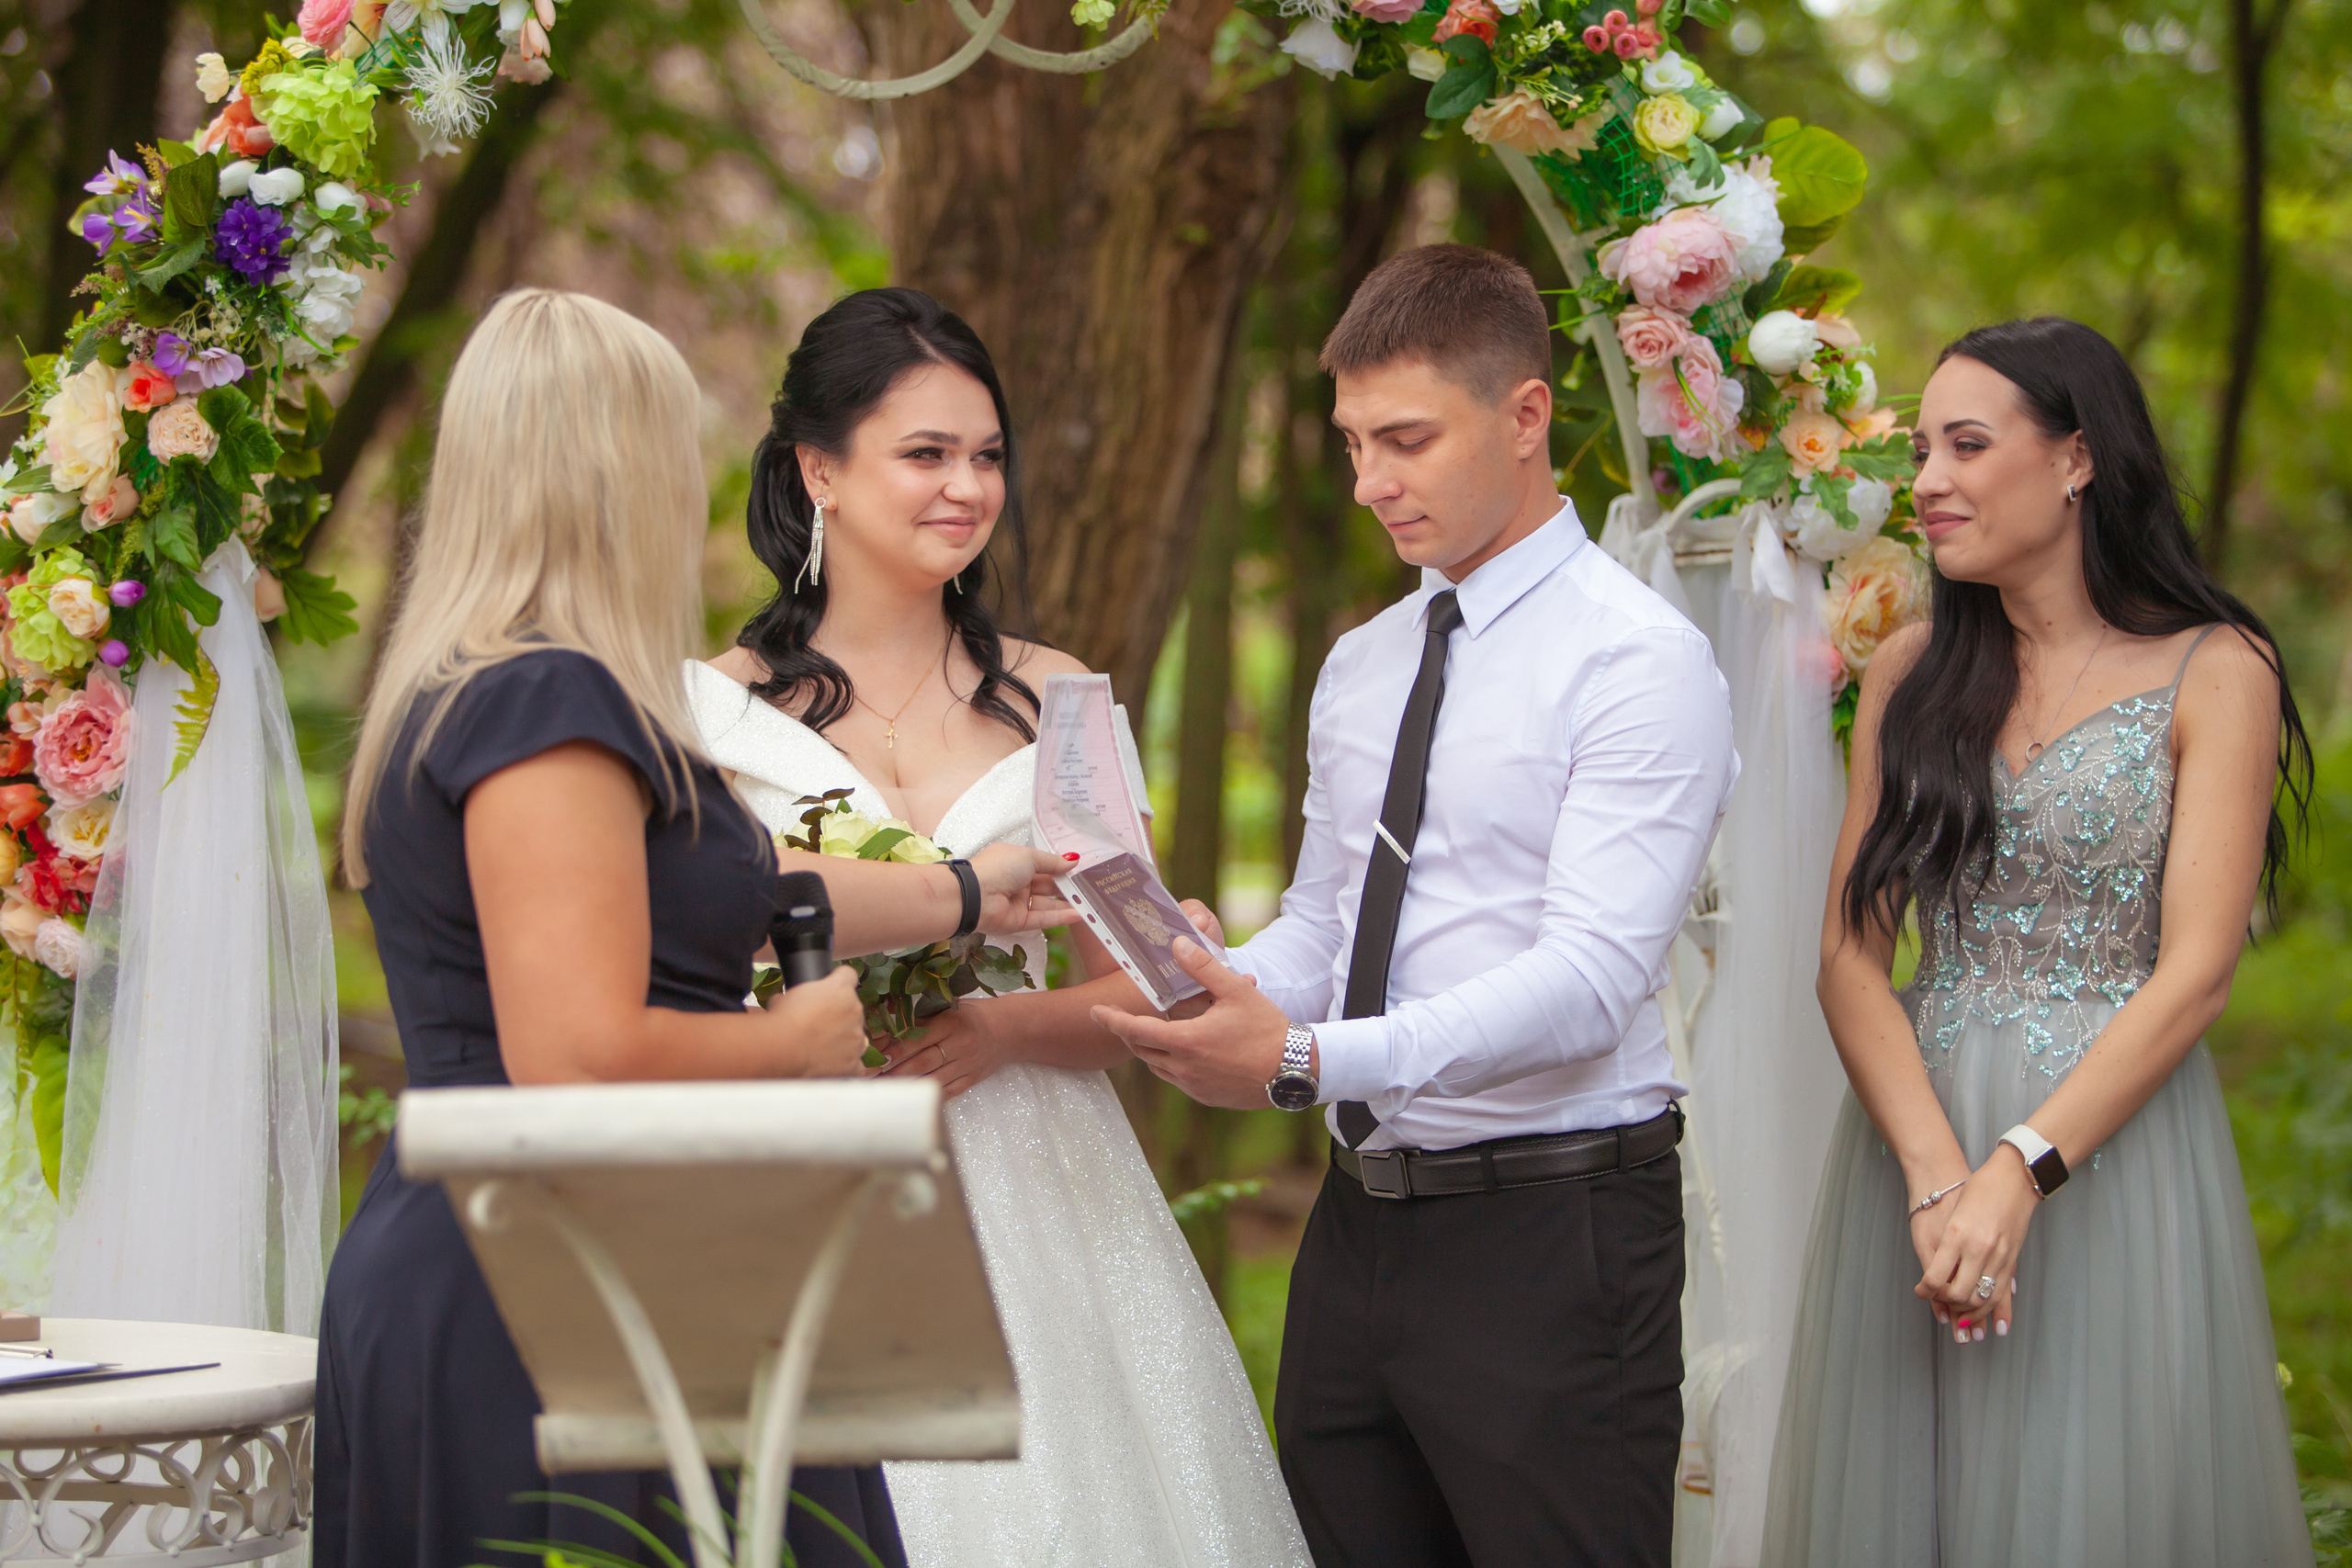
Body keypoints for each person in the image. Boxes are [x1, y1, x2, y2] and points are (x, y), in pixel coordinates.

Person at [315, 288, 1059, 1568]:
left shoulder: (484, 686)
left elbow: (743, 881)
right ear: (621, 466)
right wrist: (793, 1044)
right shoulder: (545, 701)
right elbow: (574, 1054)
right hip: (549, 1282)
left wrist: (969, 889)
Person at [1092, 244, 1740, 1568]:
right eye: (1351, 442)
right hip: (1355, 1231)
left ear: (1524, 415)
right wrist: (1223, 976)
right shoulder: (1363, 660)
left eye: (1405, 440)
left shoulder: (1639, 662)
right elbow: (1329, 924)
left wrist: (1301, 1060)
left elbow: (1590, 983)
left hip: (1555, 1238)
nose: (1368, 482)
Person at [683, 286, 1314, 1568]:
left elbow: (1151, 988)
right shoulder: (705, 713)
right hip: (798, 1178)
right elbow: (681, 957)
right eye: (926, 453)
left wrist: (1008, 1029)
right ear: (818, 470)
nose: (967, 488)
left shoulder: (1057, 698)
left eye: (986, 456)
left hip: (1041, 1189)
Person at [1760, 317, 2317, 1568]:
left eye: (1967, 445)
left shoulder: (2216, 667)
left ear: (2076, 458)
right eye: (1921, 451)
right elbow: (1850, 960)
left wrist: (2020, 1170)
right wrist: (1940, 1180)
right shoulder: (1910, 672)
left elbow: (2198, 972)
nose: (1929, 481)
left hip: (2110, 1147)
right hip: (1919, 1141)